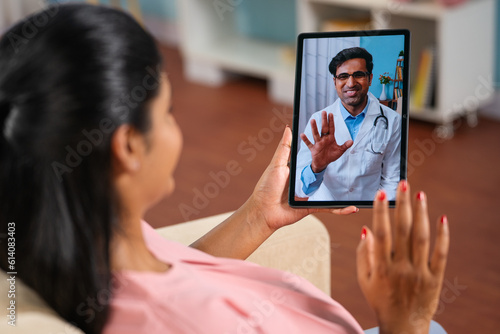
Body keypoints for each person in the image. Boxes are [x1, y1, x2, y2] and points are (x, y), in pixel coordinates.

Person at [0, 4, 449, 334]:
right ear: (129, 146)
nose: (351, 84)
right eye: (168, 112)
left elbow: (173, 272)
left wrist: (258, 214)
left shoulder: (91, 236)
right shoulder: (188, 320)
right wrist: (403, 324)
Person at [296, 47, 401, 201]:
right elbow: (300, 189)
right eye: (343, 76)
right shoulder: (318, 120)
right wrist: (316, 168)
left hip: (368, 209)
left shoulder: (392, 120)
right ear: (335, 82)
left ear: (370, 78)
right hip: (325, 209)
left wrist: (377, 210)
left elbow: (392, 179)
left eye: (359, 75)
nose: (351, 83)